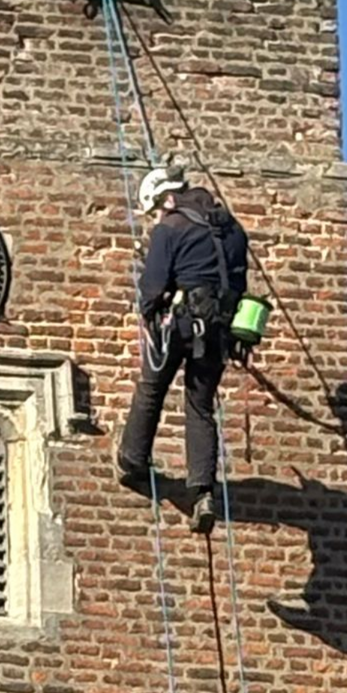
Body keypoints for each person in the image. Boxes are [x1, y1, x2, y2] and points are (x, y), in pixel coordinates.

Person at [116, 163, 249, 534]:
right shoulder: (233, 230)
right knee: (200, 404)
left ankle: (132, 459)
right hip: (220, 327)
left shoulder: (171, 227)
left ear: (168, 197)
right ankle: (203, 492)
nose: (157, 217)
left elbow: (153, 288)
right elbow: (239, 280)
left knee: (152, 385)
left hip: (182, 322)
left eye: (157, 209)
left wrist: (148, 312)